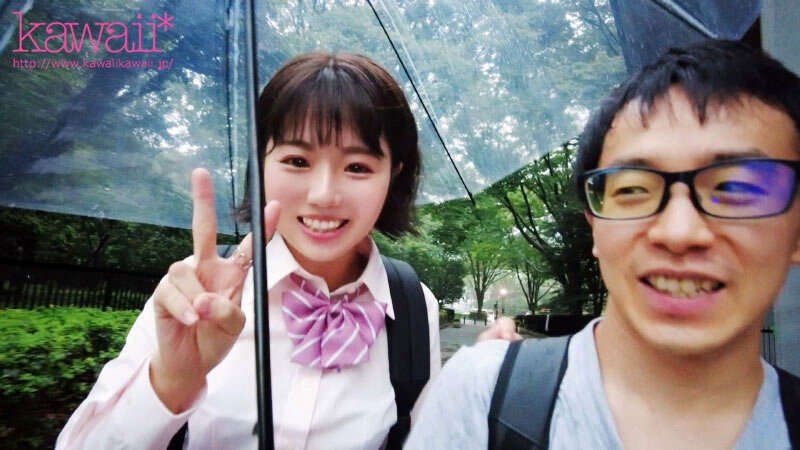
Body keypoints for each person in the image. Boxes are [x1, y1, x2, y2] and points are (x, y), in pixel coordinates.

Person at [405, 40, 800, 449]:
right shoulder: (480, 398)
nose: (679, 233)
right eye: (633, 189)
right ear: (593, 222)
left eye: (735, 188)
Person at [56, 52, 442, 449]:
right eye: (297, 160)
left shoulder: (413, 307)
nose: (324, 195)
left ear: (393, 175)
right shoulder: (195, 293)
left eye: (357, 167)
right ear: (260, 165)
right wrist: (171, 382)